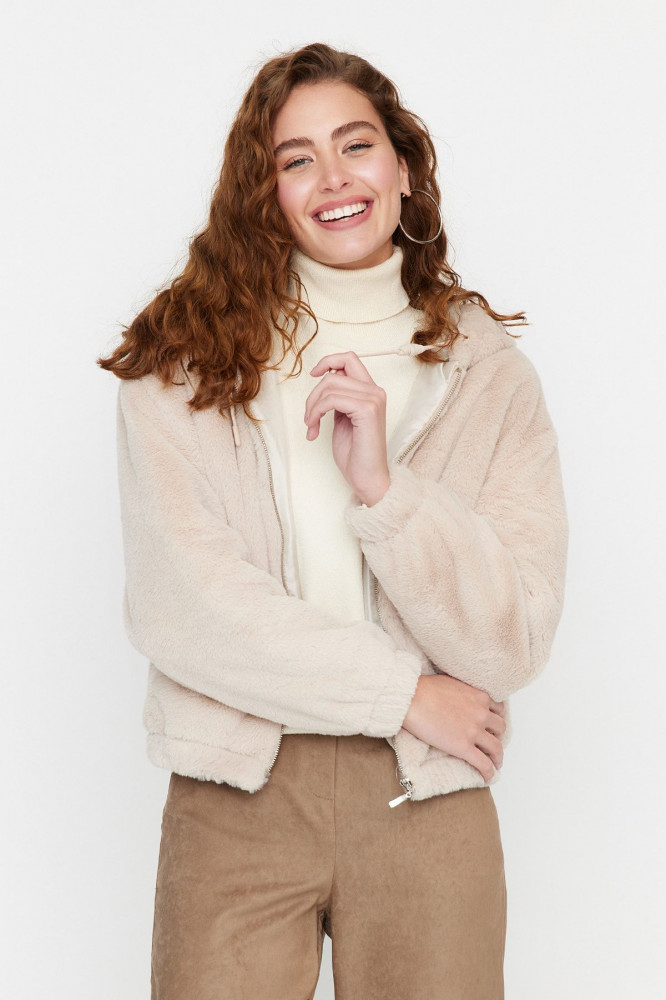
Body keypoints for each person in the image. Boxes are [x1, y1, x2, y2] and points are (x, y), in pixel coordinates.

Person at [100, 42, 568, 1000]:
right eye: (296, 159)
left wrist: (388, 494)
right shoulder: (184, 361)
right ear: (264, 193)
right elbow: (183, 604)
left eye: (356, 145)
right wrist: (402, 694)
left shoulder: (488, 374)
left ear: (403, 166)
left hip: (427, 793)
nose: (334, 178)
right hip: (238, 792)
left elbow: (512, 638)